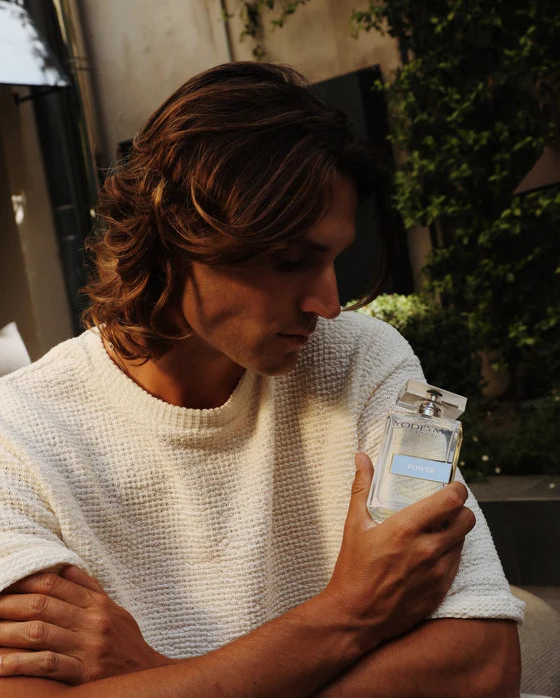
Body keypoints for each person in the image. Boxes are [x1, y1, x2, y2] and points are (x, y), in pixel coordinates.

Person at [0, 62, 523, 696]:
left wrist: (156, 677)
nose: (328, 303)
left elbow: (482, 661)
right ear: (173, 240)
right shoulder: (18, 435)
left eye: (334, 258)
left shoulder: (361, 359)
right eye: (291, 260)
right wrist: (350, 611)